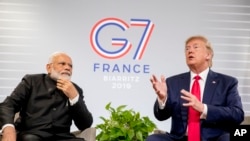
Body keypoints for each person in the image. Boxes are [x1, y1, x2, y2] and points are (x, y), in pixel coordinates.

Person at [146, 35, 244, 141]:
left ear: (208, 55)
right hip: (180, 138)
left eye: (195, 47)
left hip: (215, 139)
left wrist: (203, 108)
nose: (190, 51)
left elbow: (237, 114)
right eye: (187, 49)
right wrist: (163, 99)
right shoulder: (173, 82)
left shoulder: (227, 83)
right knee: (153, 139)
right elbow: (161, 116)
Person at [0, 52, 93, 141]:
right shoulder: (31, 81)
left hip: (61, 137)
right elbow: (8, 105)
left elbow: (85, 124)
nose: (67, 67)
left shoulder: (75, 90)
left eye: (70, 66)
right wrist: (8, 128)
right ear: (49, 67)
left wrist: (75, 97)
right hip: (32, 134)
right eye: (62, 64)